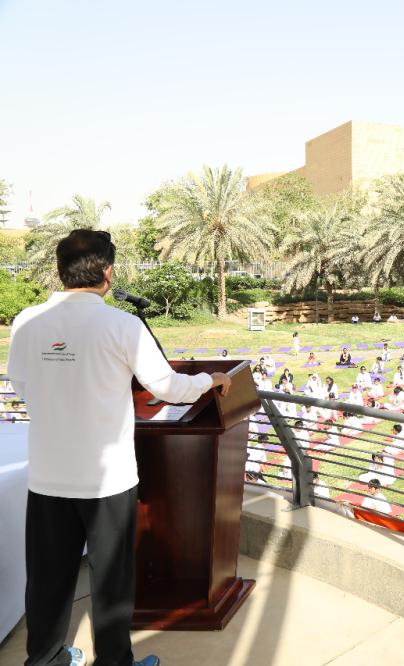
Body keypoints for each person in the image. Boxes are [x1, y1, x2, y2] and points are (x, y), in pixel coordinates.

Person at [8, 230, 233, 666]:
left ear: (60, 271)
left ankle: (46, 660)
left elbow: (21, 383)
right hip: (107, 481)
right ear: (108, 272)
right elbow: (167, 387)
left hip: (49, 475)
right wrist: (211, 381)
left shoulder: (26, 321)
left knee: (48, 579)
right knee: (111, 581)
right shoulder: (122, 325)